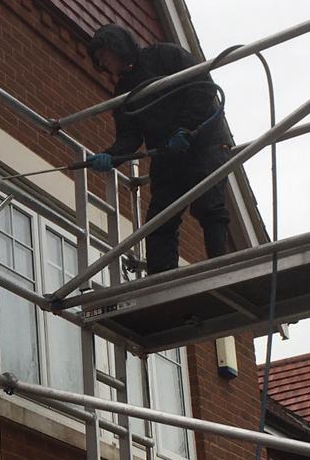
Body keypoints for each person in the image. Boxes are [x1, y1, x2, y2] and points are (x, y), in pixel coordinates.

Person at [85, 24, 233, 274]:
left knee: (208, 205)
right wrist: (111, 156)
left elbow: (202, 87)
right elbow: (130, 136)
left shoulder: (166, 56)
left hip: (203, 141)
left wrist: (186, 128)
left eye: (104, 57)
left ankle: (220, 267)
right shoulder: (123, 91)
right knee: (159, 221)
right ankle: (161, 280)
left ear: (116, 47)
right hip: (168, 153)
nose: (104, 65)